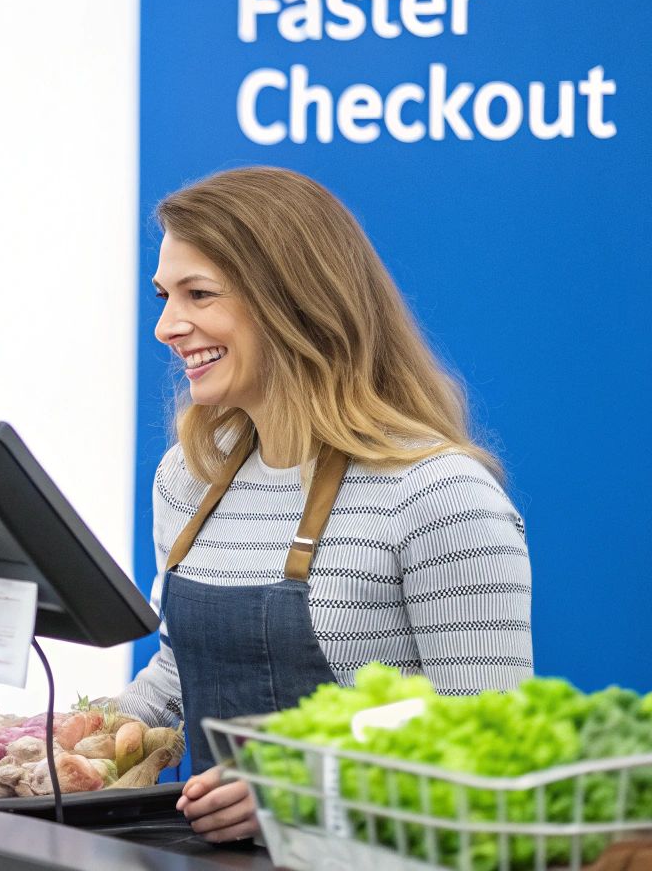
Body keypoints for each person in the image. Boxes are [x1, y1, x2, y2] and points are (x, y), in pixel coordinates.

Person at [117, 166, 533, 845]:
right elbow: (180, 669)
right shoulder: (189, 479)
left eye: (199, 294)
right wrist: (96, 733)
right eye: (165, 295)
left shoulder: (438, 495)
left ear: (293, 301)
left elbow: (490, 744)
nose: (167, 326)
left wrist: (303, 791)